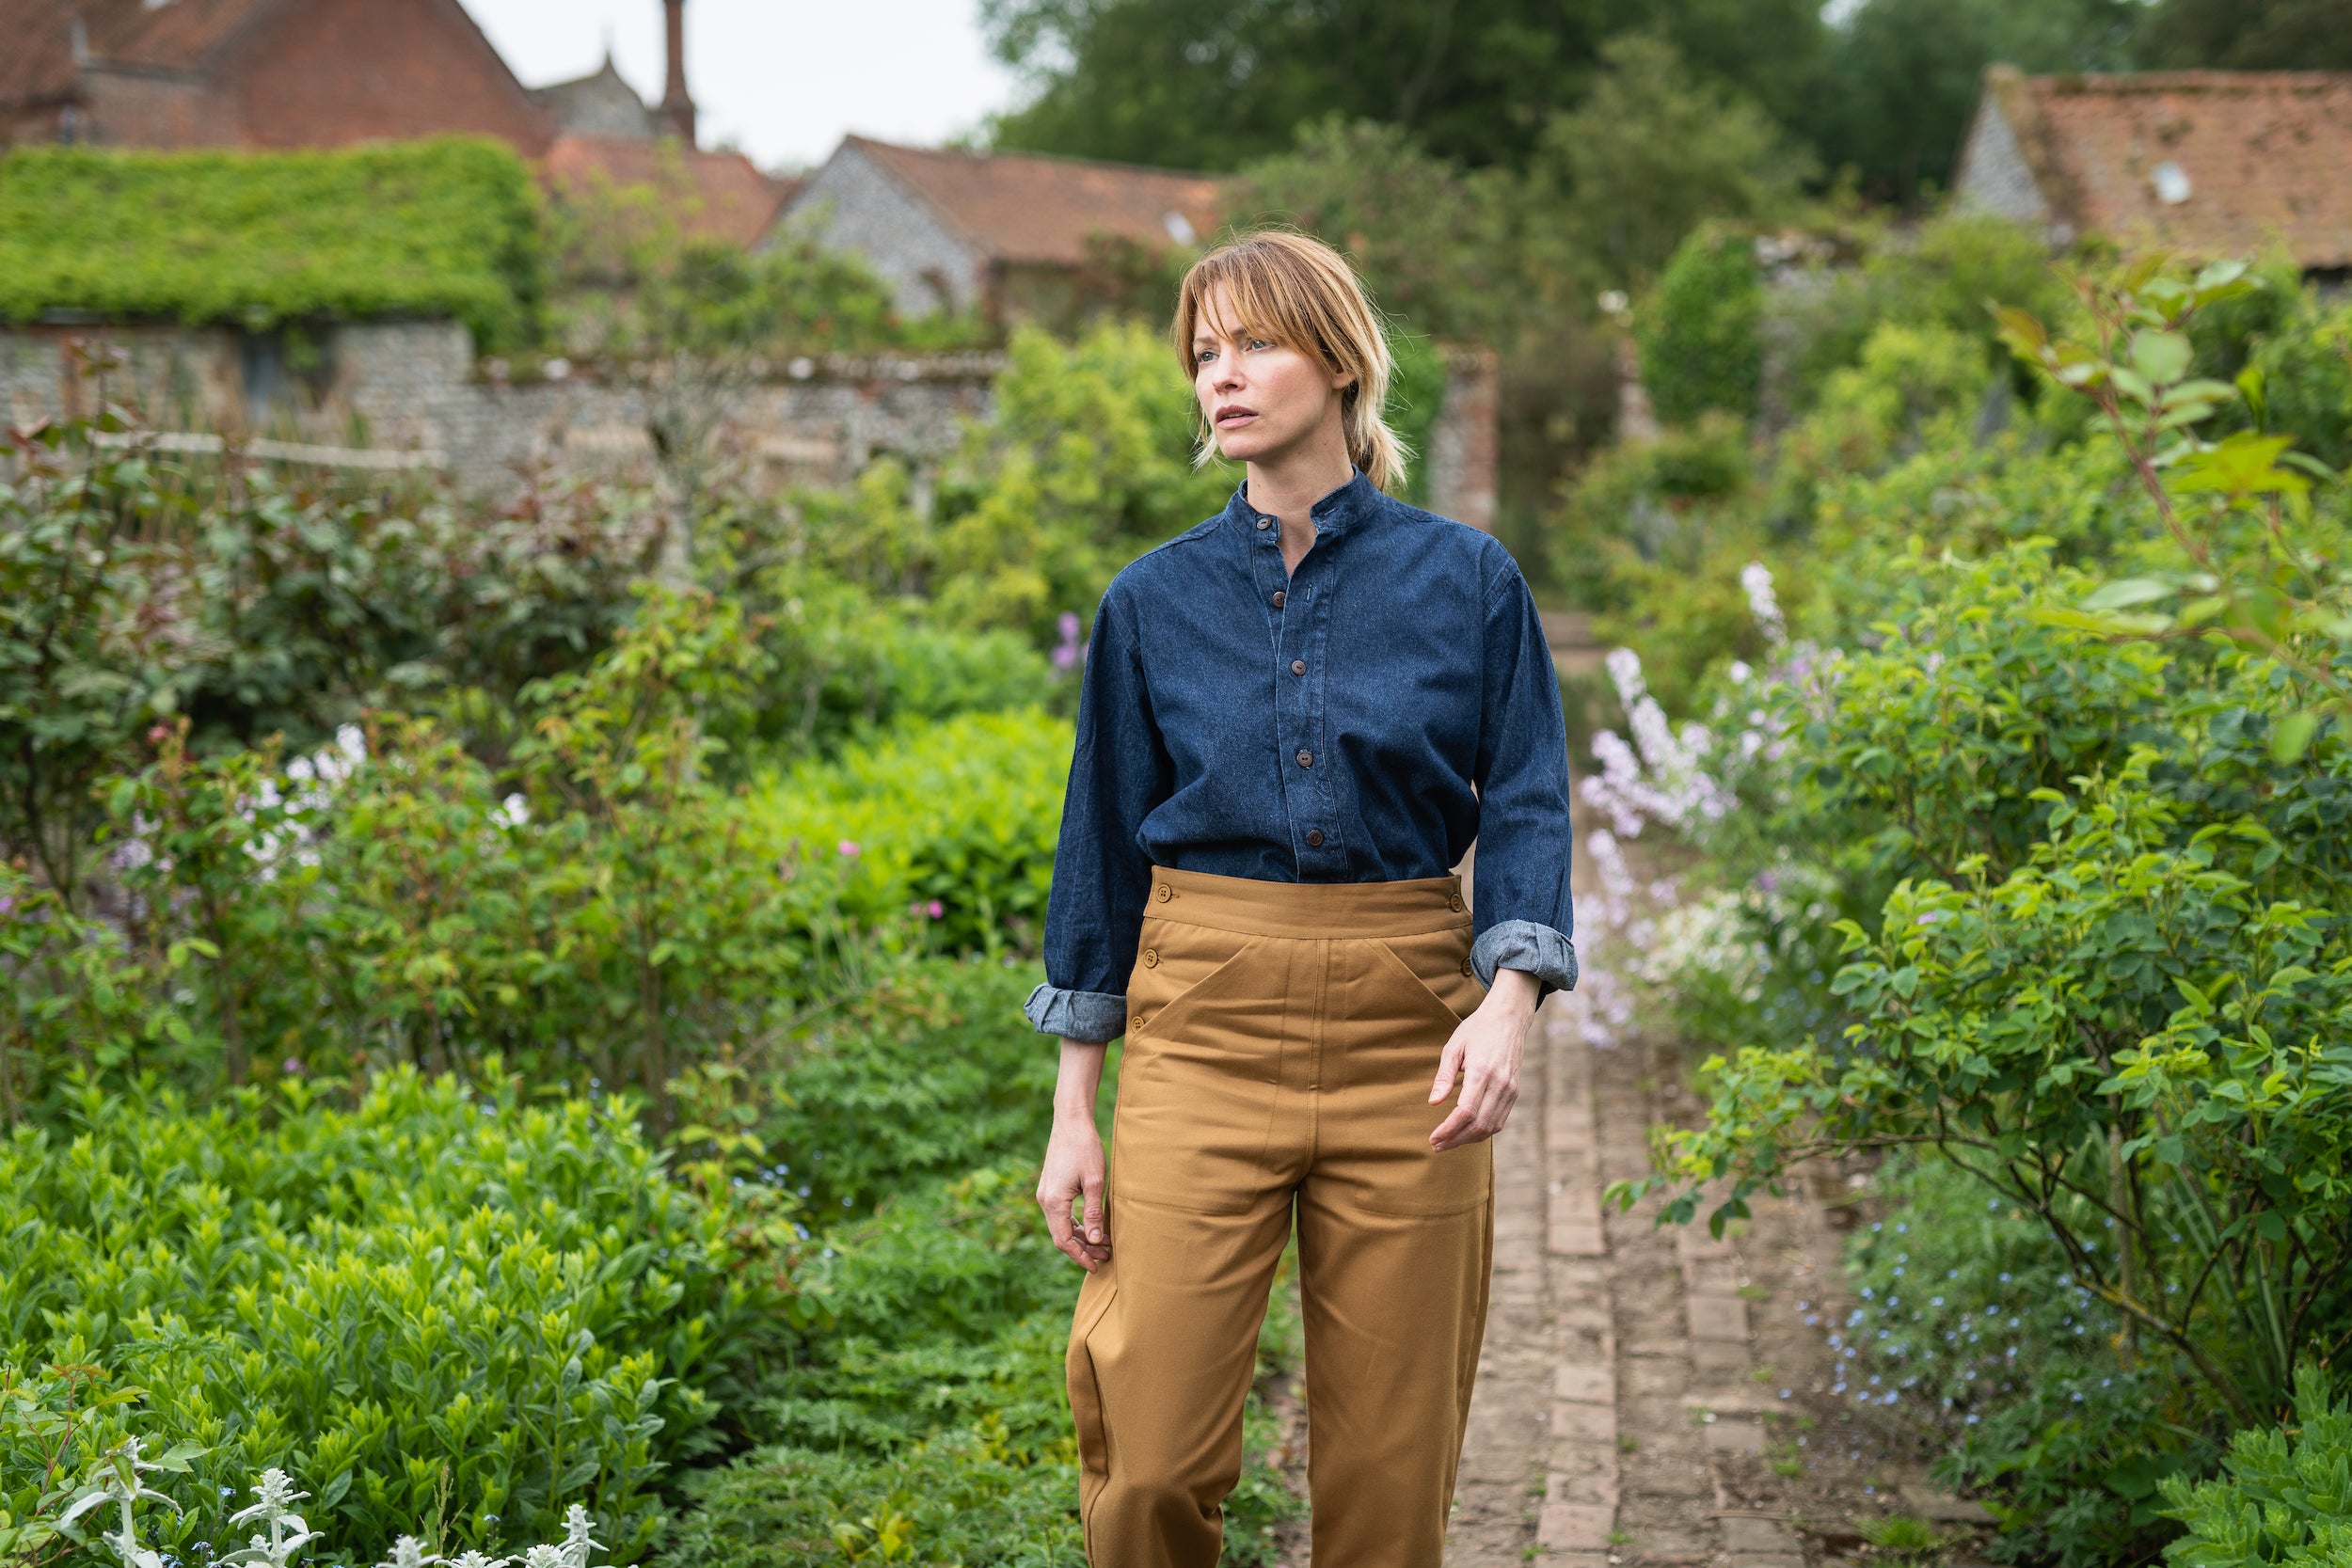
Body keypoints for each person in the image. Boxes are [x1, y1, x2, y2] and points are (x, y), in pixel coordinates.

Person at [1026, 230, 1577, 1567]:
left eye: (1252, 344)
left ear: (1337, 360)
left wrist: (1507, 1002)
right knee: (1148, 1463)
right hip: (1201, 1025)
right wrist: (1073, 1113)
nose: (1221, 377)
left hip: (1410, 1041)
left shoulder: (1468, 583)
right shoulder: (1151, 604)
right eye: (1202, 354)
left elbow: (1526, 802)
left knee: (1389, 1485)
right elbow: (1098, 850)